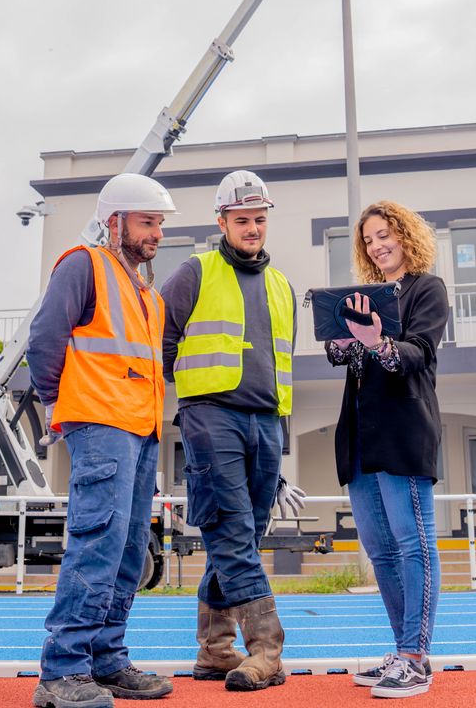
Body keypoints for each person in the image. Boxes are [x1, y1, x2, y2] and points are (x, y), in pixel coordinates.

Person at [28, 172, 178, 708]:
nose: (156, 233)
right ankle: (62, 671)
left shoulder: (147, 294)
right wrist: (56, 404)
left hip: (141, 433)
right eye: (147, 222)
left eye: (159, 223)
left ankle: (107, 660)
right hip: (100, 425)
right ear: (114, 222)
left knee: (129, 549)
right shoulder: (83, 265)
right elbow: (44, 339)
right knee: (98, 543)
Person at [160, 169, 304, 692]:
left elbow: (282, 365)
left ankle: (213, 651)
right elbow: (162, 343)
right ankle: (266, 650)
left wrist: (283, 444)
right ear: (221, 220)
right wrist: (186, 401)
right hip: (211, 417)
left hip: (267, 424)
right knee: (231, 530)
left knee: (241, 533)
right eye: (242, 220)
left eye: (259, 220)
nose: (252, 229)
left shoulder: (283, 285)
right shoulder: (193, 273)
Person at [325, 201, 449, 699]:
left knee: (414, 545)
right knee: (380, 552)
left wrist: (378, 342)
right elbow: (351, 355)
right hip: (360, 436)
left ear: (406, 236)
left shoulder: (427, 289)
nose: (378, 245)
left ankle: (417, 659)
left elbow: (417, 353)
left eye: (385, 235)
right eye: (370, 239)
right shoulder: (364, 297)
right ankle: (402, 651)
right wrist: (345, 342)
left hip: (403, 433)